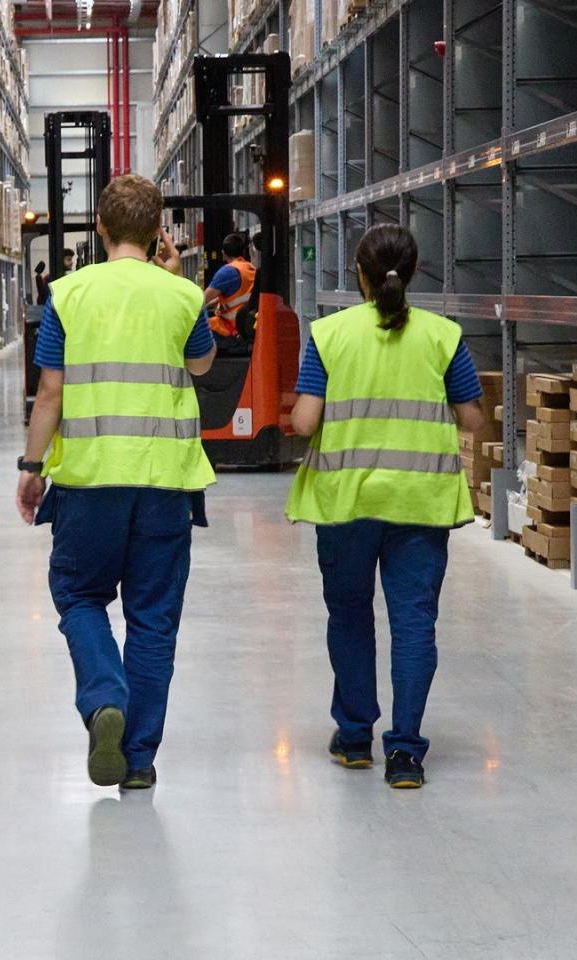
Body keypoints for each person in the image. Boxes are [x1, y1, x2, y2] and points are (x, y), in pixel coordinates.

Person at [17, 174, 217, 791]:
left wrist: (30, 468)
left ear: (98, 227)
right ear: (159, 233)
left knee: (79, 597)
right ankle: (137, 758)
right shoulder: (181, 295)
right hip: (165, 484)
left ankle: (105, 695)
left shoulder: (68, 295)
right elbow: (201, 363)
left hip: (88, 484)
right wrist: (176, 278)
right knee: (154, 620)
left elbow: (51, 391)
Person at [285, 223, 486, 790]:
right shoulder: (444, 337)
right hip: (420, 505)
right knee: (413, 625)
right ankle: (405, 754)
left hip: (346, 504)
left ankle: (354, 740)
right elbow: (473, 420)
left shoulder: (329, 335)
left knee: (349, 618)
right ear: (414, 273)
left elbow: (304, 423)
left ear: (359, 274)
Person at [203, 232, 257, 352]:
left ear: (223, 253)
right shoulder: (250, 268)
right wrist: (210, 305)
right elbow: (237, 297)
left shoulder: (227, 272)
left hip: (230, 330)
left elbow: (201, 300)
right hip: (247, 327)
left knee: (197, 331)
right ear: (243, 252)